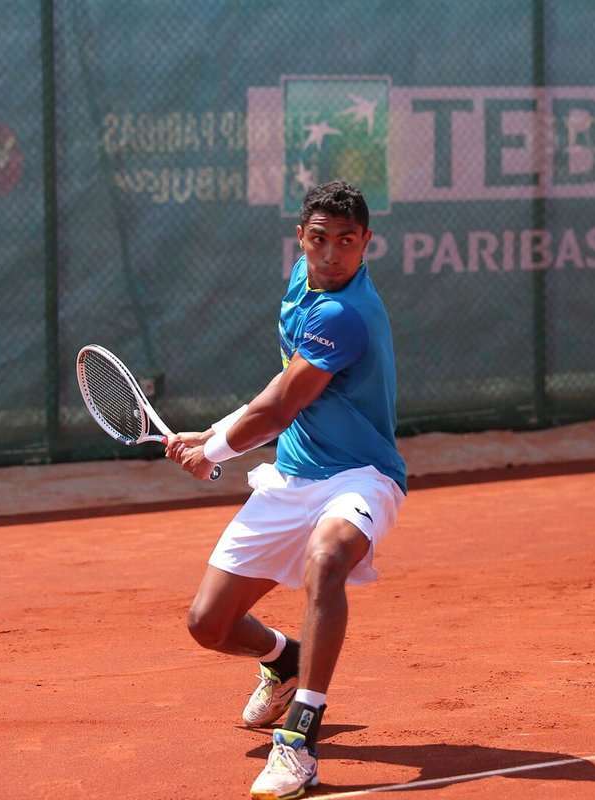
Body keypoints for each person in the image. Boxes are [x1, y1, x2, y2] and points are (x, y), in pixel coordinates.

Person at [165, 180, 407, 799]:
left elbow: (278, 407)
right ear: (300, 239)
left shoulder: (343, 313)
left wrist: (215, 451)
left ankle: (299, 739)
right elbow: (282, 388)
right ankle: (282, 657)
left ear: (366, 245)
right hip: (291, 474)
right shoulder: (302, 284)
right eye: (319, 240)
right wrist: (217, 431)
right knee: (208, 625)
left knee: (326, 561)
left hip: (360, 476)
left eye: (346, 242)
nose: (331, 254)